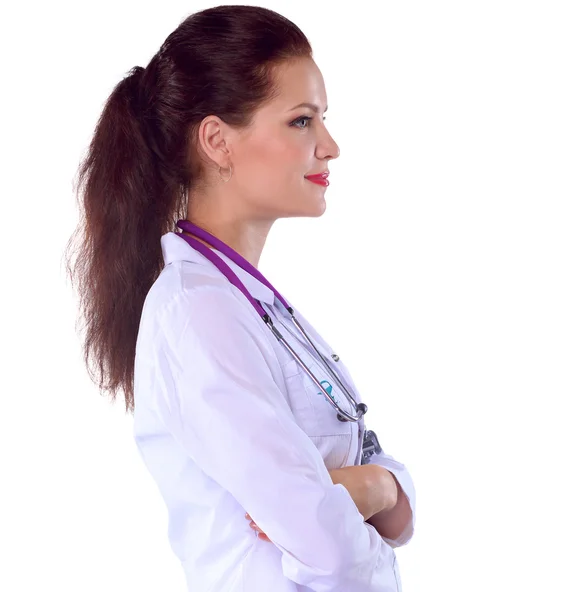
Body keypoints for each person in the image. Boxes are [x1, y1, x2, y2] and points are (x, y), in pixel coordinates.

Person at [65, 5, 415, 591]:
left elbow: (392, 501)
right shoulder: (196, 313)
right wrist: (362, 498)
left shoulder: (246, 301)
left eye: (323, 119)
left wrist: (377, 488)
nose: (330, 146)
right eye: (302, 121)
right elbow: (330, 552)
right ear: (217, 141)